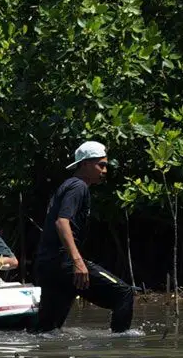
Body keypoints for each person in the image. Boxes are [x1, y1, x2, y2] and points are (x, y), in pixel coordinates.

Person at [33, 141, 134, 333]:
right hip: (63, 264)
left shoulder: (69, 185)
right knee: (123, 293)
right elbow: (62, 222)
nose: (104, 170)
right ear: (85, 164)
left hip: (48, 265)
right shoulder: (78, 186)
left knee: (48, 331)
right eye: (101, 165)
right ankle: (120, 351)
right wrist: (78, 262)